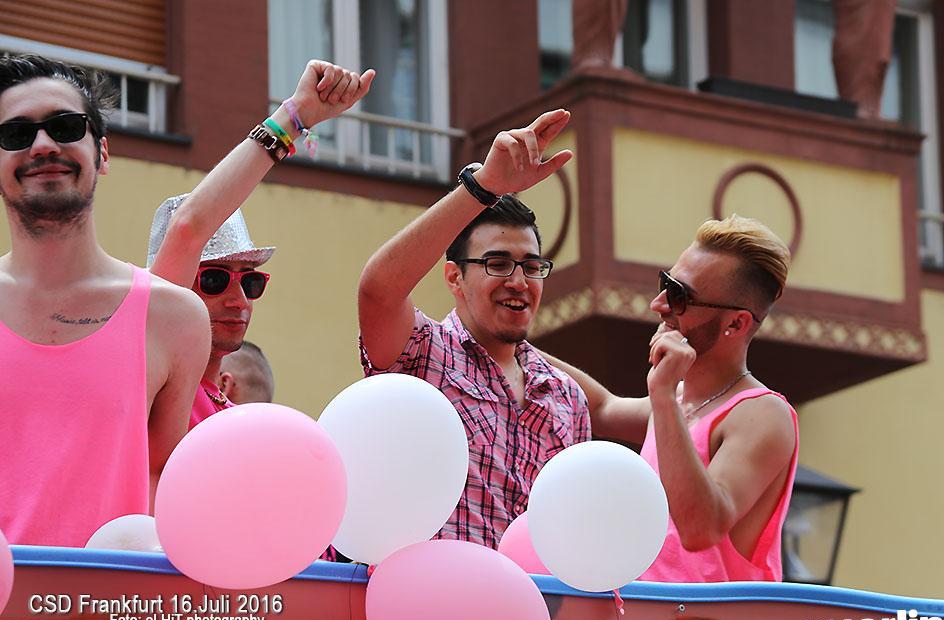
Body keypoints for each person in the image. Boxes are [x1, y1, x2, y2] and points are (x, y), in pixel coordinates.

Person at [0, 54, 210, 547]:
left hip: (114, 616)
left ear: (103, 153)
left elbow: (161, 479)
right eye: (15, 134)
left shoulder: (174, 318)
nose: (43, 145)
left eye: (65, 126)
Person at [357, 109, 591, 548]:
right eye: (498, 263)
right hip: (428, 605)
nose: (519, 282)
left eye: (532, 266)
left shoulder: (565, 395)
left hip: (534, 610)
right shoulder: (425, 354)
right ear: (454, 278)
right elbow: (378, 290)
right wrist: (483, 186)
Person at [548, 215, 798, 581]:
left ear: (736, 324)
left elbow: (701, 529)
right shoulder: (677, 404)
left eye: (680, 296)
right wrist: (510, 344)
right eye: (666, 284)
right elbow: (601, 407)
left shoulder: (763, 413)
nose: (658, 304)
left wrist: (663, 396)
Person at [146, 60, 373, 428]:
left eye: (250, 281)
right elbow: (189, 229)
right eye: (215, 279)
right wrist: (295, 117)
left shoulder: (237, 419)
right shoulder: (149, 382)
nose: (239, 300)